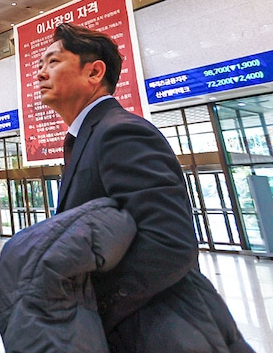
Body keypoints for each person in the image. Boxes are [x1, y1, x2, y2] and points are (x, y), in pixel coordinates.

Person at [31, 22, 251, 351]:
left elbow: (170, 241)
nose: (40, 73)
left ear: (94, 73)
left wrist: (97, 310)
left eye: (53, 61)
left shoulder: (120, 132)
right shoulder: (87, 137)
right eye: (39, 65)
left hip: (152, 329)